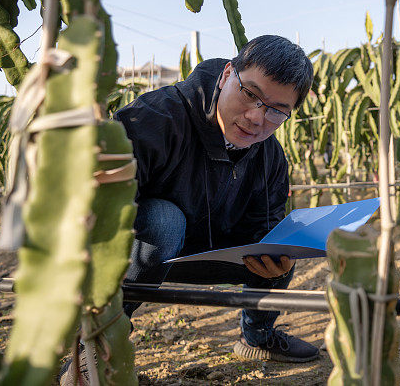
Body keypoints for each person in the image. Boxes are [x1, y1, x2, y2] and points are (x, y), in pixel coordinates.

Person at [115, 35, 318, 363]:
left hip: (206, 257)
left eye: (277, 111)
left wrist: (275, 258)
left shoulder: (271, 156)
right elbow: (100, 210)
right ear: (226, 76)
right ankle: (99, 339)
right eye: (250, 94)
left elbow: (263, 221)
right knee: (165, 221)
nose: (256, 117)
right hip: (138, 257)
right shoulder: (155, 118)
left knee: (279, 245)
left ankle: (258, 337)